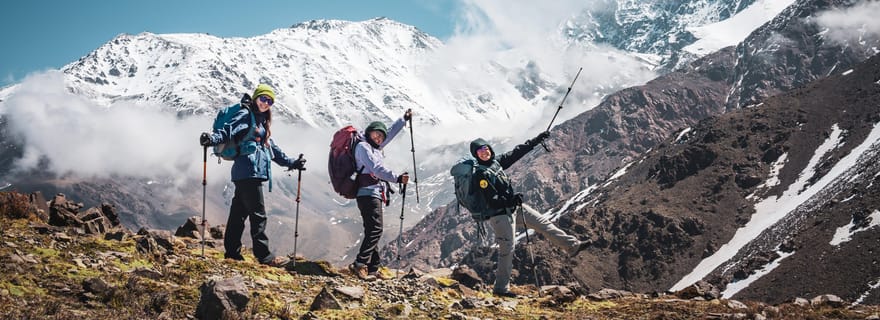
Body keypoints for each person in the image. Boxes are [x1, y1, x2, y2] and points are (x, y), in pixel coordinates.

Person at [469, 132, 591, 298]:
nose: (484, 152)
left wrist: (536, 140)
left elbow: (517, 152)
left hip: (513, 208)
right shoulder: (481, 174)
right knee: (507, 249)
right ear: (476, 155)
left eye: (485, 148)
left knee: (543, 223)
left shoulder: (497, 163)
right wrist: (511, 199)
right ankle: (500, 289)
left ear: (489, 148)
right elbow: (493, 200)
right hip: (500, 216)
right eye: (479, 151)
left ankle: (572, 246)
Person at [199, 84, 306, 267]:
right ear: (256, 97)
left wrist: (292, 163)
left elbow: (271, 148)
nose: (266, 103)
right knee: (258, 215)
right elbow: (228, 130)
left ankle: (232, 253)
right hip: (248, 171)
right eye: (263, 98)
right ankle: (264, 256)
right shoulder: (246, 114)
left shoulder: (260, 120)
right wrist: (213, 139)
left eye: (270, 101)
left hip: (248, 172)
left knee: (238, 214)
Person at [349, 109, 412, 281]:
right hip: (367, 193)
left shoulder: (374, 146)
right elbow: (376, 169)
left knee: (372, 230)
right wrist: (397, 178)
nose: (379, 139)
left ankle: (373, 269)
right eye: (376, 135)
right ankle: (359, 265)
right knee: (376, 230)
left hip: (372, 193)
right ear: (369, 133)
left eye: (380, 137)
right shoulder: (363, 147)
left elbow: (389, 133)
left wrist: (403, 120)